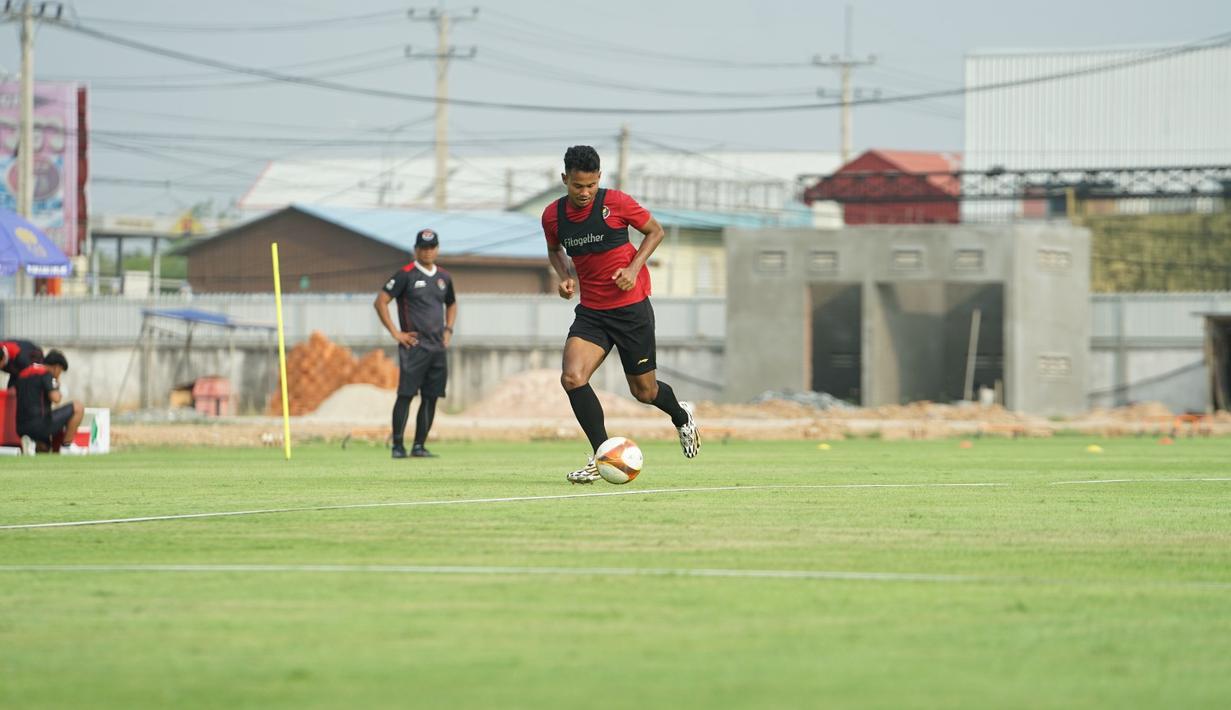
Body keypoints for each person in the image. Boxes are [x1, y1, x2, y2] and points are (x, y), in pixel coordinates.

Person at [543, 145, 700, 484]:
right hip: (592, 313)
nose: (584, 193)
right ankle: (602, 457)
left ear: (599, 178)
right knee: (572, 378)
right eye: (577, 186)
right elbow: (555, 248)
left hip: (631, 310)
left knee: (644, 392)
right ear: (564, 179)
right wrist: (564, 276)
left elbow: (655, 231)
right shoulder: (552, 216)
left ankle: (680, 414)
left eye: (590, 185)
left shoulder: (617, 203)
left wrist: (633, 267)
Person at [374, 228, 457, 459]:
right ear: (416, 249)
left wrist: (448, 330)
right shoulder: (405, 275)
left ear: (437, 249)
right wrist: (396, 333)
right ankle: (398, 446)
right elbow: (380, 301)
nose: (428, 251)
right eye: (423, 248)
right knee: (406, 394)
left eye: (431, 247)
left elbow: (451, 303)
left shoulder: (444, 277)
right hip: (414, 346)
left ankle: (419, 445)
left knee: (431, 397)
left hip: (437, 347)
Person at [14, 349, 84, 456]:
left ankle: (33, 444)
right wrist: (58, 387)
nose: (59, 374)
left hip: (20, 427)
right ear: (57, 367)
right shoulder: (46, 373)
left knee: (45, 449)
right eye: (60, 371)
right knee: (78, 407)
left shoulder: (23, 373)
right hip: (39, 425)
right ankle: (67, 447)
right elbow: (55, 399)